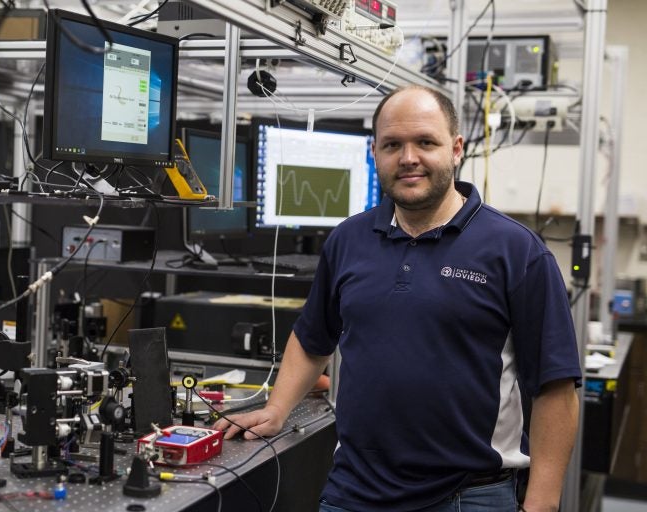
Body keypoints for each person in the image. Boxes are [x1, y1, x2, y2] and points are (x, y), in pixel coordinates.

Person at [213, 85, 581, 512]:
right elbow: (313, 338)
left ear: (456, 148)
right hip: (354, 492)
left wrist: (542, 502)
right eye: (393, 145)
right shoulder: (347, 240)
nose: (408, 158)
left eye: (426, 142)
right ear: (375, 154)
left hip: (468, 495)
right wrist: (276, 408)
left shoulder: (517, 251)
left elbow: (555, 387)